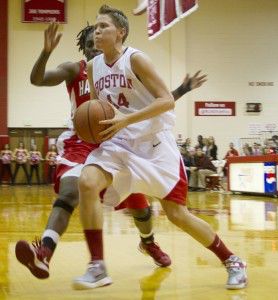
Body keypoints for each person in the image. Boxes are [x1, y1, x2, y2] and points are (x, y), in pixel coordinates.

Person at [73, 5, 247, 291]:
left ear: (121, 32)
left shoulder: (136, 59)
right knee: (87, 181)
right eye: (96, 27)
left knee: (177, 215)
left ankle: (232, 260)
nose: (97, 31)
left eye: (103, 26)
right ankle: (97, 266)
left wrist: (127, 119)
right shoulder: (93, 67)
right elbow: (98, 107)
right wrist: (93, 128)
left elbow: (166, 100)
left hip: (153, 145)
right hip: (118, 144)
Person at [15, 22, 206, 279]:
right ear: (84, 48)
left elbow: (155, 104)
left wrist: (182, 89)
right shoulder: (76, 69)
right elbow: (37, 79)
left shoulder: (125, 70)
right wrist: (46, 52)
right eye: (91, 42)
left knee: (141, 209)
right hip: (82, 144)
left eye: (102, 36)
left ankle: (148, 242)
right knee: (71, 191)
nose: (97, 44)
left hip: (119, 142)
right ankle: (44, 253)